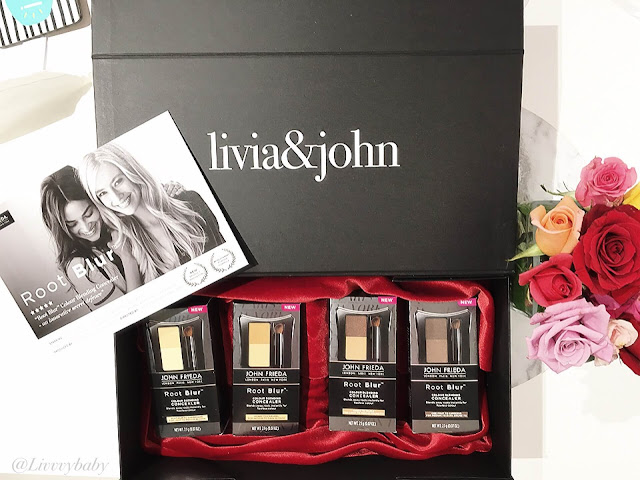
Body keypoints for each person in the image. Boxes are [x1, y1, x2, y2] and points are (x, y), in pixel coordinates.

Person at [78, 143, 225, 283]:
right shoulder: (122, 246)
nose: (116, 197)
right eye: (103, 193)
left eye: (118, 182)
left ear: (132, 172)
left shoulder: (190, 203)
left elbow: (225, 257)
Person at [40, 166, 141, 309]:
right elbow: (130, 311)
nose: (86, 228)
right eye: (72, 224)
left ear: (96, 201)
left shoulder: (122, 218)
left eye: (88, 214)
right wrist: (127, 257)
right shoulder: (79, 266)